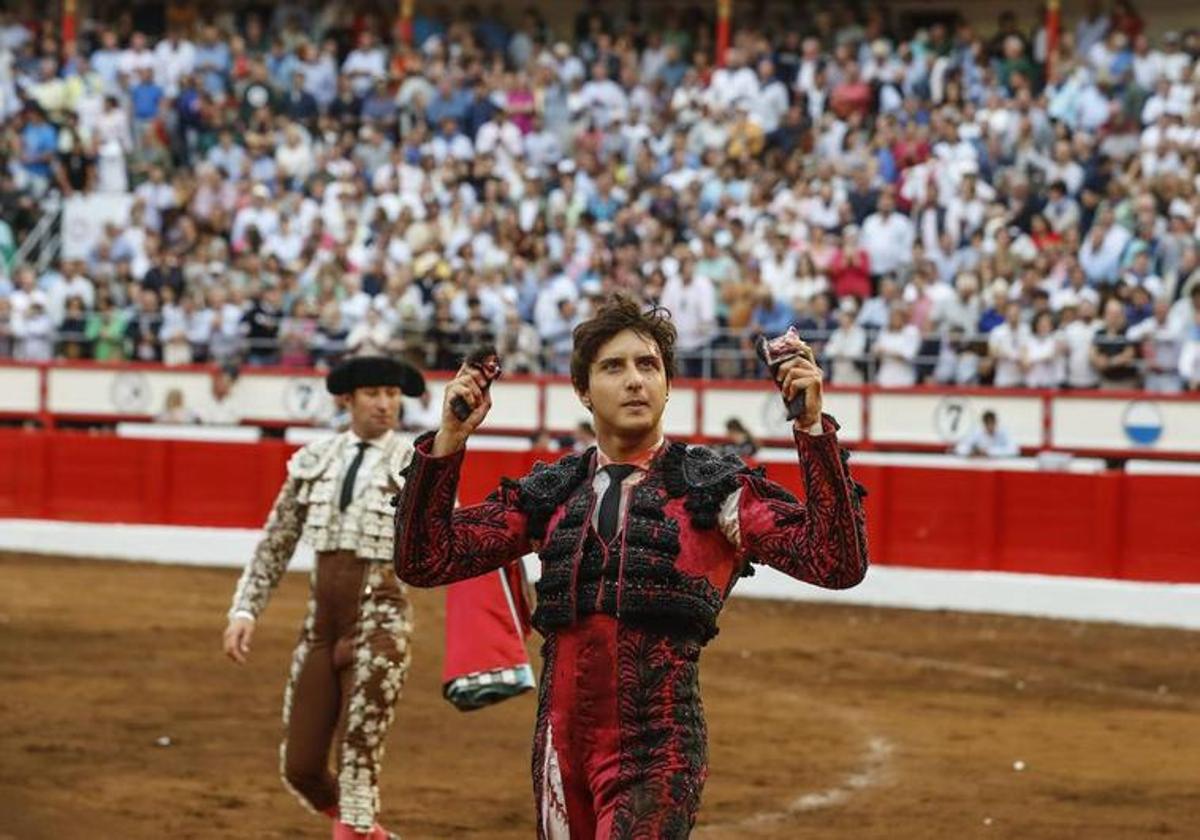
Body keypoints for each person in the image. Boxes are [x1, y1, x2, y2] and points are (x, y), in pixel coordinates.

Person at [392, 295, 868, 837]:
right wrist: (451, 440)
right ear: (583, 390)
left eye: (648, 366)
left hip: (659, 747)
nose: (635, 381)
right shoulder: (551, 493)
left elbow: (835, 562)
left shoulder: (712, 490)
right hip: (558, 745)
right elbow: (425, 559)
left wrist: (811, 430)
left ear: (669, 385)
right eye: (613, 367)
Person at [223, 356, 426, 840]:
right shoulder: (316, 459)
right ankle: (373, 837)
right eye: (375, 393)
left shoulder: (417, 465)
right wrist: (245, 609)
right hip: (320, 631)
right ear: (348, 399)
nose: (386, 404)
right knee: (301, 768)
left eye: (393, 395)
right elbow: (277, 541)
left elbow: (454, 537)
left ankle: (358, 828)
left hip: (381, 628)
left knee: (357, 767)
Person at [953, 410, 1020, 458]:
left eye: (992, 423)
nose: (990, 426)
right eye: (988, 424)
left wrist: (989, 451)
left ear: (996, 422)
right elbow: (960, 448)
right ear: (984, 424)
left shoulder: (1004, 432)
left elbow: (1014, 450)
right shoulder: (977, 432)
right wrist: (972, 451)